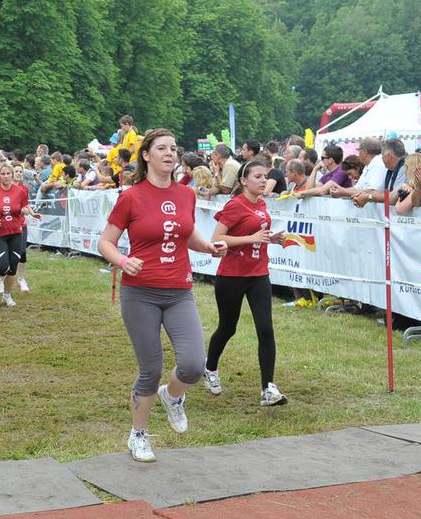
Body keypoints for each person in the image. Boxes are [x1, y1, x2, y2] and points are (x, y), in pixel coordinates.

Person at [97, 129, 227, 463]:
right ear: (146, 155)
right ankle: (138, 434)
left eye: (173, 148)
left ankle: (172, 396)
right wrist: (123, 261)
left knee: (193, 365)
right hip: (140, 293)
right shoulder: (131, 197)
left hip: (179, 291)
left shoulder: (186, 194)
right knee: (150, 369)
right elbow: (105, 242)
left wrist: (208, 247)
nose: (170, 153)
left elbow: (186, 233)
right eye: (162, 148)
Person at [205, 161, 288, 406]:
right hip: (232, 275)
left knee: (266, 329)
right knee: (227, 327)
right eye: (258, 176)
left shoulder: (261, 203)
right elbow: (217, 239)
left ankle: (268, 388)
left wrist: (272, 238)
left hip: (258, 274)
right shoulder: (235, 205)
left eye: (265, 176)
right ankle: (210, 368)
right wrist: (251, 238)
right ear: (244, 181)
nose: (264, 181)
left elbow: (257, 236)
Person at [0, 161, 41, 307]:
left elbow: (24, 206)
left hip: (16, 232)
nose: (6, 176)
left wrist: (27, 211)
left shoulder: (20, 191)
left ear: (12, 175)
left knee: (12, 268)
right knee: (2, 267)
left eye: (8, 173)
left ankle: (7, 296)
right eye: (3, 174)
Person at [13, 163, 32, 293]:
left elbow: (26, 204)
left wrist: (32, 213)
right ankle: (2, 279)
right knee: (9, 254)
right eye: (16, 171)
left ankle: (21, 279)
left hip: (22, 224)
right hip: (8, 225)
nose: (19, 173)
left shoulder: (24, 188)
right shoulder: (5, 187)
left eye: (21, 171)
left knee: (22, 253)